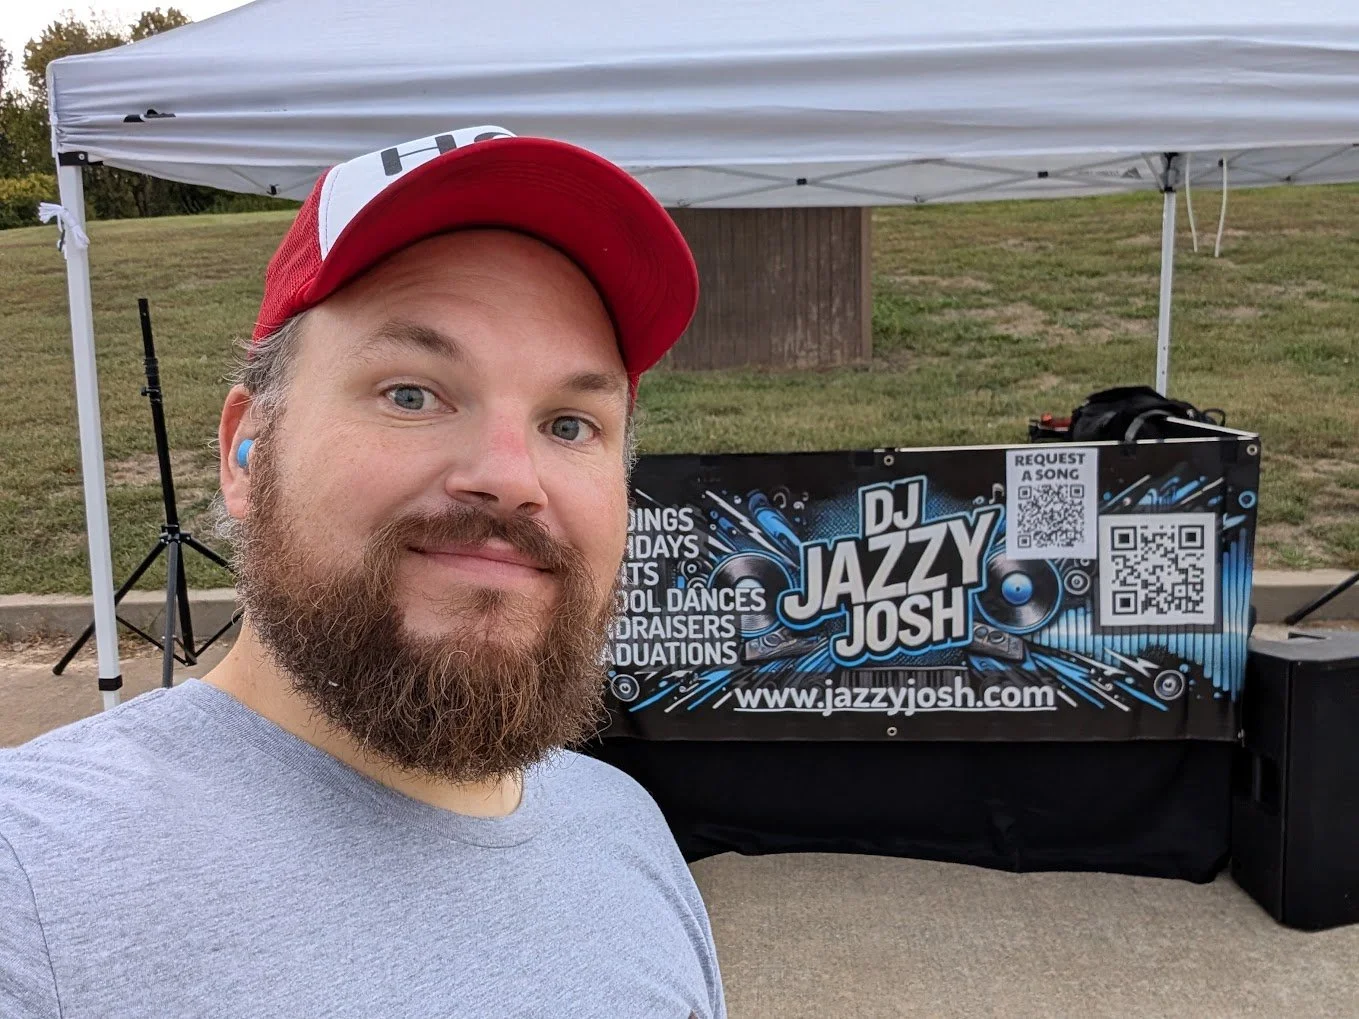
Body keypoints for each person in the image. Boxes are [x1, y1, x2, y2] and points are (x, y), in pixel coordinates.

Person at [0, 126, 726, 1018]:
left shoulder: (623, 830)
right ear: (245, 450)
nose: (511, 477)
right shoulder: (33, 883)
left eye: (569, 424)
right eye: (410, 393)